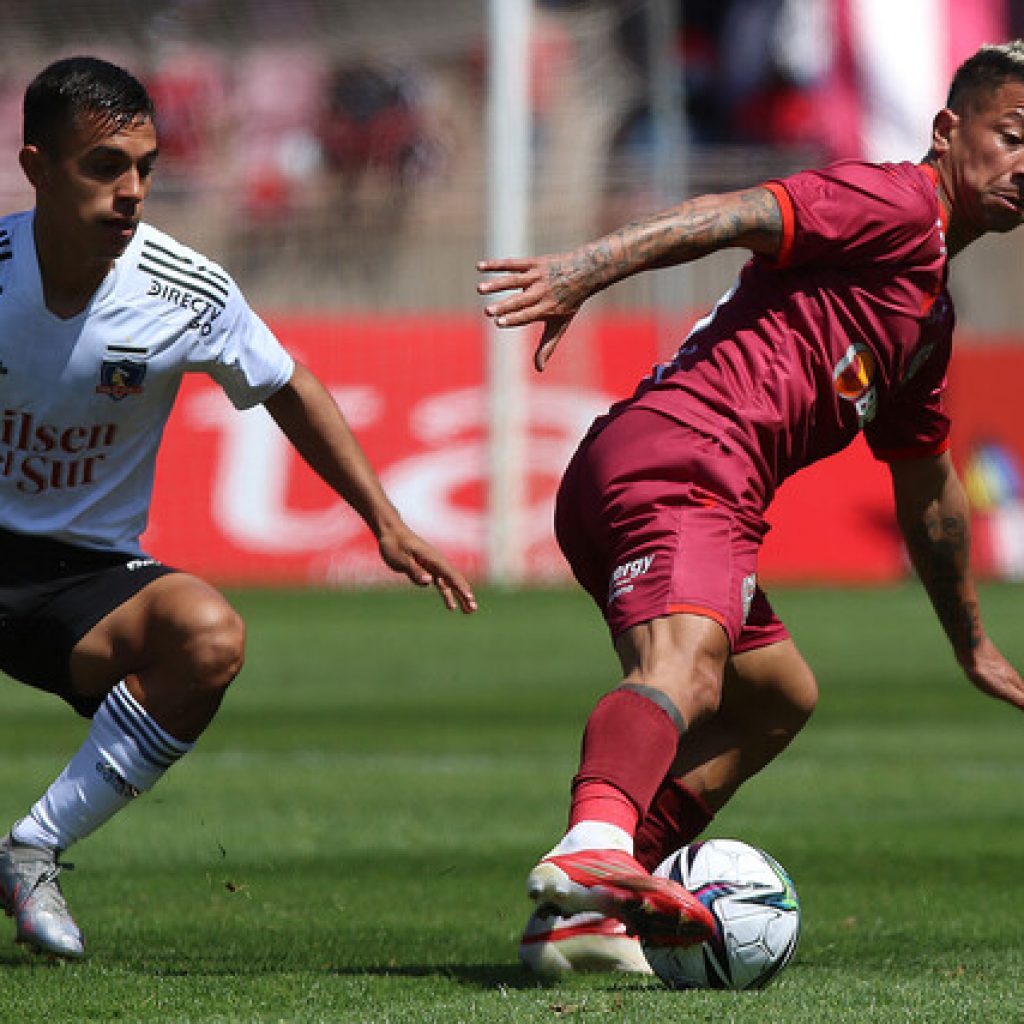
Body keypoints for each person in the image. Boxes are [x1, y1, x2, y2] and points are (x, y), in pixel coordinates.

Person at [478, 40, 1024, 975]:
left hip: (680, 475)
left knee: (777, 696)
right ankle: (593, 848)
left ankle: (584, 914)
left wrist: (969, 640)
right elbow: (729, 215)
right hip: (684, 459)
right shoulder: (895, 202)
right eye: (1013, 135)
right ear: (947, 130)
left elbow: (927, 485)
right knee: (688, 670)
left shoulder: (928, 313)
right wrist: (584, 270)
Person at [0, 56, 477, 960]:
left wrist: (385, 521)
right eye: (104, 167)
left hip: (84, 578)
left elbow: (287, 382)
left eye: (145, 166)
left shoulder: (186, 290)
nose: (132, 191)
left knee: (209, 637)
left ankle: (31, 849)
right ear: (36, 168)